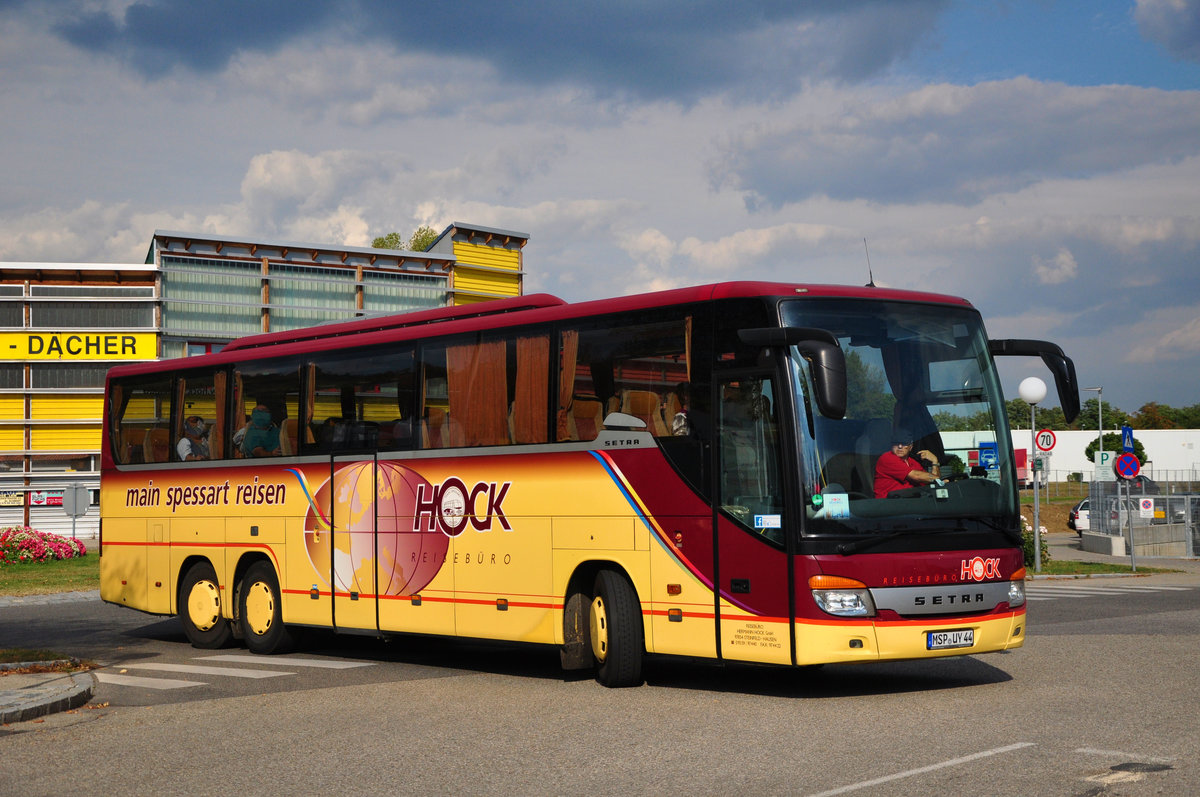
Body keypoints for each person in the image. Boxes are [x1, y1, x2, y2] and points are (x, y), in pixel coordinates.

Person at [873, 428, 942, 498]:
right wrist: (938, 480)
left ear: (911, 447)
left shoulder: (913, 462)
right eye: (896, 443)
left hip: (908, 502)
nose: (900, 446)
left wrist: (935, 461)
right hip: (887, 504)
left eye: (904, 443)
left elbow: (929, 480)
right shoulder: (887, 458)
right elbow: (917, 476)